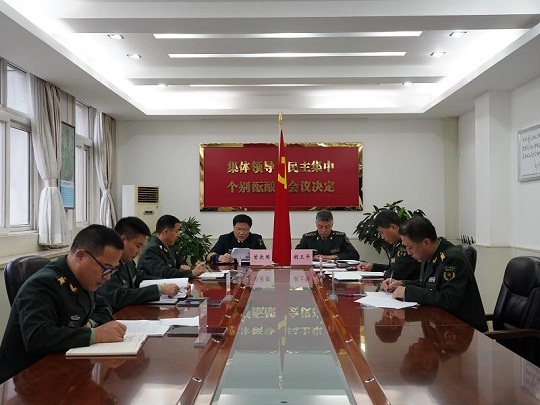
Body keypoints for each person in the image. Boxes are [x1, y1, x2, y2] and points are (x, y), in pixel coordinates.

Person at [0, 224, 128, 383]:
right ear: (80, 256)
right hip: (28, 378)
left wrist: (89, 324)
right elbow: (37, 337)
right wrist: (96, 334)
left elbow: (104, 308)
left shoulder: (83, 279)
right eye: (106, 268)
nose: (108, 277)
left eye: (112, 270)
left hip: (63, 366)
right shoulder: (42, 284)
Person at [382, 216, 488, 332]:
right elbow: (427, 284)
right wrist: (402, 283)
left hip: (463, 329)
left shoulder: (452, 259)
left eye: (410, 247)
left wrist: (407, 292)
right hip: (441, 323)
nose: (408, 252)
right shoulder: (428, 255)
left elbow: (449, 299)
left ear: (426, 242)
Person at [97, 216, 181, 312]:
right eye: (138, 246)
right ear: (122, 240)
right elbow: (118, 296)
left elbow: (142, 278)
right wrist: (159, 289)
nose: (139, 252)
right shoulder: (107, 263)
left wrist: (173, 284)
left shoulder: (129, 262)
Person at [358, 210, 420, 280]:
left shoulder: (406, 245)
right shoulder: (396, 244)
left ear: (392, 227)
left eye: (382, 233)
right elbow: (392, 268)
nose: (382, 237)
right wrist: (373, 266)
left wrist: (385, 273)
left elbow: (396, 273)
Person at [138, 214, 206, 278]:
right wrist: (192, 273)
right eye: (176, 231)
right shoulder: (152, 250)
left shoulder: (169, 246)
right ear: (166, 232)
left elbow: (180, 262)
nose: (178, 235)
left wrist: (184, 266)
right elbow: (164, 273)